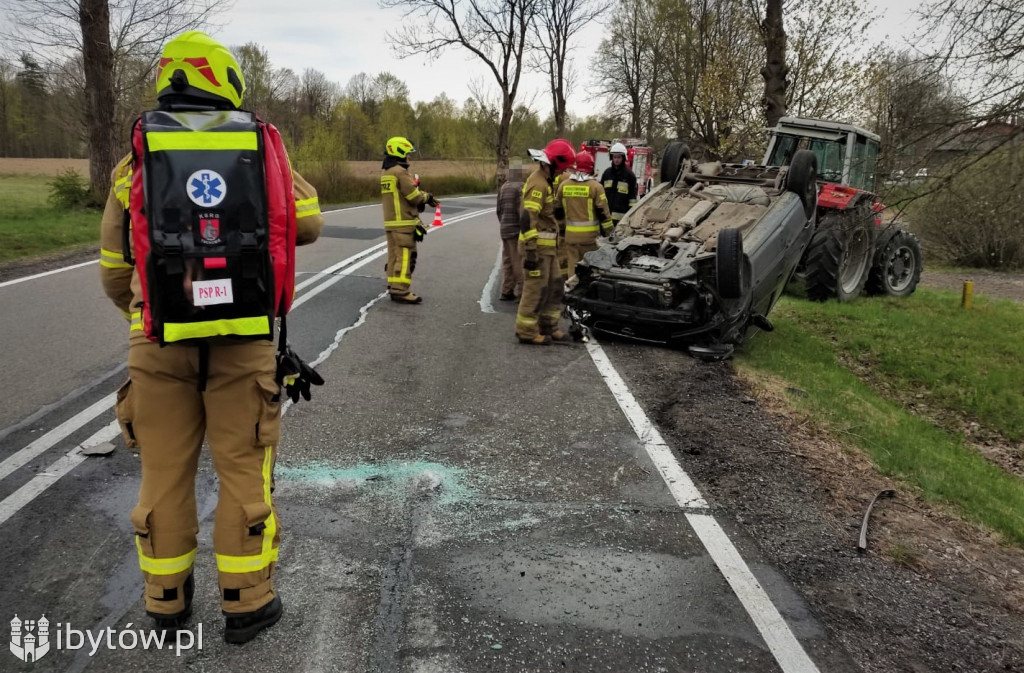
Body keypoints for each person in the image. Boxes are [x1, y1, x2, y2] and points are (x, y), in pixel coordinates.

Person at [99, 31, 324, 644]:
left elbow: (114, 272)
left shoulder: (135, 162)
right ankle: (246, 604)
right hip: (243, 340)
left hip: (159, 344)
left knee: (164, 476)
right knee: (243, 471)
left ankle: (166, 605)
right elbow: (305, 224)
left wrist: (145, 318)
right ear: (225, 79)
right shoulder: (258, 145)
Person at [515, 138, 576, 345]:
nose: (563, 172)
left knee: (554, 288)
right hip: (537, 250)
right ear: (555, 163)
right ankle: (526, 331)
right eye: (563, 167)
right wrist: (531, 251)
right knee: (536, 290)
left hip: (548, 250)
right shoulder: (539, 183)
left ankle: (549, 327)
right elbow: (527, 218)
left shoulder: (547, 181)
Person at [381, 136, 438, 304]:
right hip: (404, 222)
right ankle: (401, 290)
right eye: (407, 153)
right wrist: (427, 197)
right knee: (406, 256)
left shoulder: (386, 172)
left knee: (394, 256)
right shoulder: (400, 172)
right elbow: (413, 197)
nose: (409, 157)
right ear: (400, 152)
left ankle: (393, 285)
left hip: (391, 223)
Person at [555, 151, 614, 277]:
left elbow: (558, 212)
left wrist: (561, 231)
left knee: (573, 268)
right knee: (590, 269)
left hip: (570, 238)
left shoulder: (563, 186)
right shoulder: (596, 187)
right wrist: (610, 233)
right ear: (591, 167)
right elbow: (604, 214)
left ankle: (571, 292)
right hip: (590, 239)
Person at [496, 164, 525, 300]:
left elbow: (498, 210)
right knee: (518, 260)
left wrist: (503, 222)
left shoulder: (504, 187)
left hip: (504, 228)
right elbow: (522, 210)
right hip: (516, 229)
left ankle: (506, 290)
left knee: (507, 260)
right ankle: (522, 291)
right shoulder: (520, 187)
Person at [601, 142, 638, 225]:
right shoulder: (607, 173)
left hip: (621, 220)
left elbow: (632, 198)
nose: (616, 159)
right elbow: (600, 193)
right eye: (614, 157)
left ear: (624, 158)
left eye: (619, 157)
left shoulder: (629, 176)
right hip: (606, 217)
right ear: (612, 158)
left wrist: (630, 217)